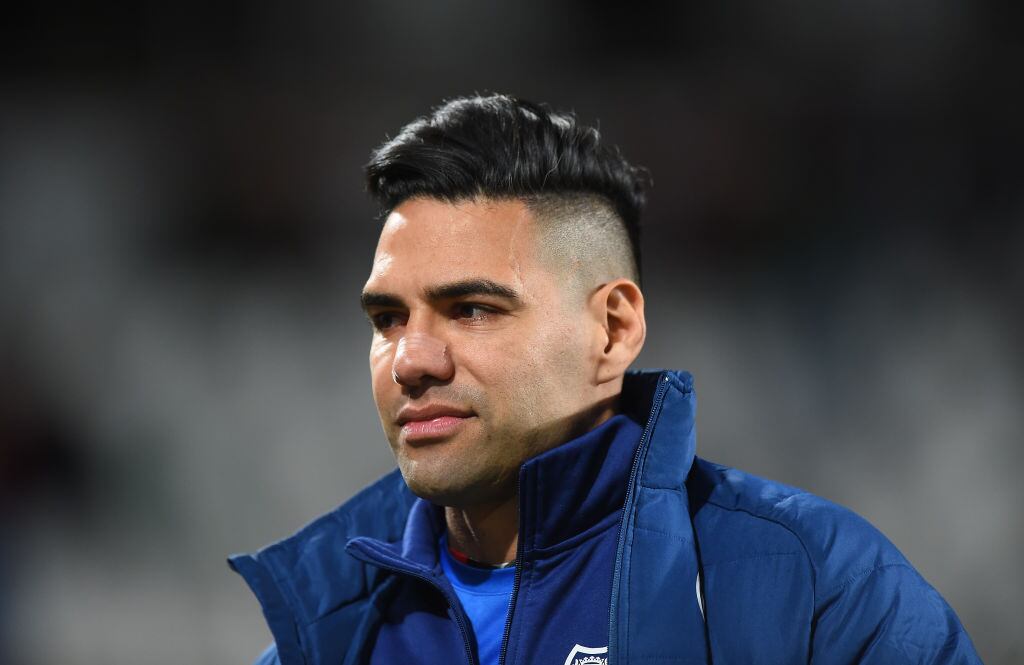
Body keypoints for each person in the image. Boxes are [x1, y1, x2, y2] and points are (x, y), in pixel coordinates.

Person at [229, 94, 980, 665]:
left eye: (472, 309)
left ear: (612, 331)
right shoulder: (323, 641)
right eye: (389, 317)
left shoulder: (819, 594)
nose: (410, 359)